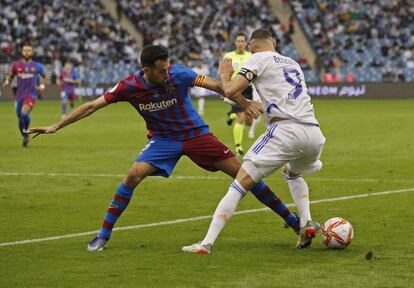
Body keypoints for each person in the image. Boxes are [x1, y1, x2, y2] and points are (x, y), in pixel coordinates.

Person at [28, 45, 299, 252]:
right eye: (161, 69)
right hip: (163, 141)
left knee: (244, 176)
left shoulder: (179, 73)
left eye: (167, 66)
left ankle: (291, 219)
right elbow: (91, 106)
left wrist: (242, 100)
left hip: (196, 135)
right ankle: (103, 235)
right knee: (133, 175)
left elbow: (218, 87)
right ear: (146, 70)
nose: (166, 71)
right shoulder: (128, 87)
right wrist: (56, 126)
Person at [182, 28, 325, 254]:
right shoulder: (293, 62)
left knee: (239, 184)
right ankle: (306, 222)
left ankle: (206, 243)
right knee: (292, 172)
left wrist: (225, 74)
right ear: (274, 43)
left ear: (252, 46)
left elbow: (229, 90)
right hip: (314, 133)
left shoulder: (257, 58)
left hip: (285, 130)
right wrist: (249, 103)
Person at [2, 43, 47, 147]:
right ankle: (25, 135)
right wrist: (7, 82)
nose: (27, 52)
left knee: (24, 113)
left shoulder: (37, 66)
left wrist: (42, 87)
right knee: (20, 117)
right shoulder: (16, 65)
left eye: (29, 50)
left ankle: (26, 130)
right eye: (25, 50)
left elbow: (45, 78)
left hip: (31, 95)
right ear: (22, 52)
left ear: (32, 52)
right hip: (19, 96)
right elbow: (11, 76)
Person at [224, 32, 253, 156]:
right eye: (238, 41)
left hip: (249, 89)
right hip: (235, 89)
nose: (240, 43)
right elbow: (224, 73)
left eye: (243, 41)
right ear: (235, 42)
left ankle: (231, 115)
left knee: (249, 120)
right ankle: (238, 147)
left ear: (246, 43)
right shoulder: (229, 56)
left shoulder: (251, 56)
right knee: (241, 118)